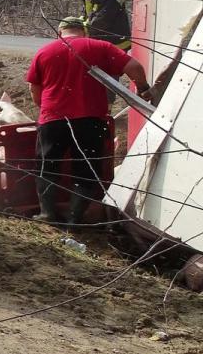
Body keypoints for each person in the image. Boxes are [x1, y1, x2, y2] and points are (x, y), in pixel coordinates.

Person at [26, 16, 151, 225]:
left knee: (47, 166)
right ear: (84, 32)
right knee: (86, 169)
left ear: (60, 33)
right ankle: (75, 219)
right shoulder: (100, 47)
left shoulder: (44, 51)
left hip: (53, 119)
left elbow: (34, 89)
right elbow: (135, 67)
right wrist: (144, 87)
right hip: (90, 119)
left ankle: (47, 213)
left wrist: (45, 109)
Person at [67, 0, 132, 51]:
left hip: (116, 45)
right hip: (102, 42)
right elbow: (88, 16)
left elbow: (99, 23)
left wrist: (78, 28)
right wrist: (77, 22)